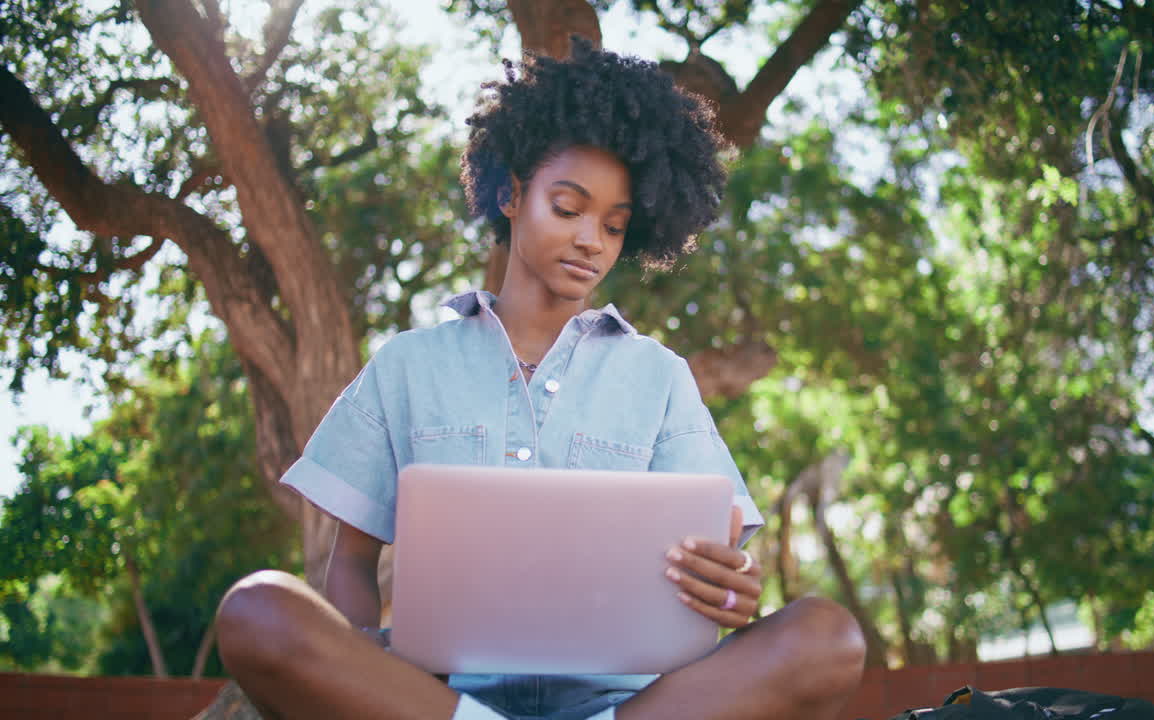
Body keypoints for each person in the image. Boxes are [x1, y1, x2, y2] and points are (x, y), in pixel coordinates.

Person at [215, 38, 866, 720]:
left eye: (614, 227)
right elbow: (349, 565)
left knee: (829, 636)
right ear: (511, 194)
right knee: (257, 610)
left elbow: (722, 578)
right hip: (438, 705)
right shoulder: (408, 365)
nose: (591, 240)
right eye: (568, 208)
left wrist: (735, 592)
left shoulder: (660, 377)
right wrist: (352, 674)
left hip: (627, 707)